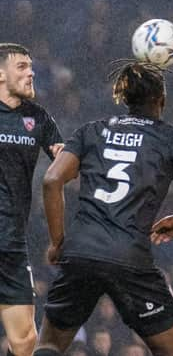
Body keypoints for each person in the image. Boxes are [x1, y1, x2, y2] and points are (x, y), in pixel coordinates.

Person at [33, 60, 173, 356]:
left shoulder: (90, 131)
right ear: (162, 100)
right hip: (129, 257)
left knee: (49, 345)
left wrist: (57, 243)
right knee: (172, 350)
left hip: (81, 251)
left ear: (125, 100)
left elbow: (52, 179)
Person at [0, 43, 63, 356]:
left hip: (11, 244)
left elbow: (64, 159)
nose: (31, 72)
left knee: (25, 342)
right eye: (21, 66)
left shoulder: (38, 118)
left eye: (31, 66)